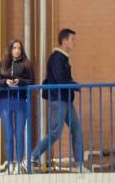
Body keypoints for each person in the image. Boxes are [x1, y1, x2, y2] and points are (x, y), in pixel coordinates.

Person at [26, 28, 82, 173]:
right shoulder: (57, 58)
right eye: (72, 39)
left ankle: (79, 164)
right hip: (58, 100)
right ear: (65, 41)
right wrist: (74, 85)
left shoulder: (63, 58)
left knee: (76, 128)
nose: (74, 42)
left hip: (65, 99)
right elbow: (60, 79)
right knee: (55, 133)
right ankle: (31, 158)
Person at [0, 39, 34, 173]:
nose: (17, 50)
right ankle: (10, 163)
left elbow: (31, 81)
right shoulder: (3, 64)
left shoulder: (26, 64)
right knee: (8, 134)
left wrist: (19, 81)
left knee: (19, 133)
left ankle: (18, 163)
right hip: (5, 101)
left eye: (19, 48)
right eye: (14, 48)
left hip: (21, 101)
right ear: (10, 50)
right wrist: (6, 82)